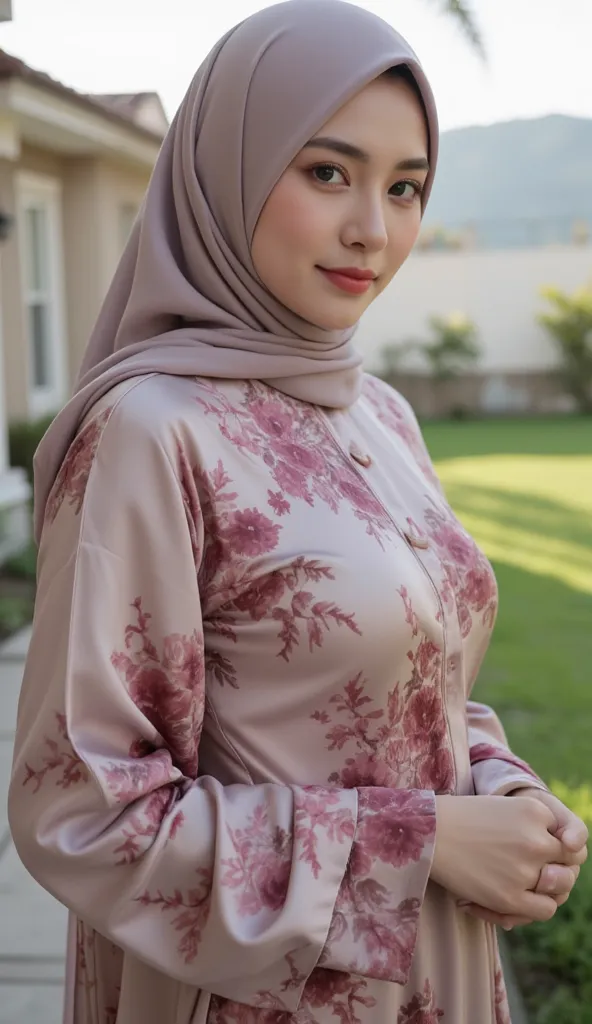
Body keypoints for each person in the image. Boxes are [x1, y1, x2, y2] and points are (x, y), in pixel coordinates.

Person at [8, 2, 588, 1023]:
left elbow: (411, 683)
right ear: (226, 172)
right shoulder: (152, 431)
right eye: (327, 172)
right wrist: (424, 842)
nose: (375, 226)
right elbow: (85, 809)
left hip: (436, 970)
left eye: (405, 188)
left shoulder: (378, 411)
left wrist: (498, 788)